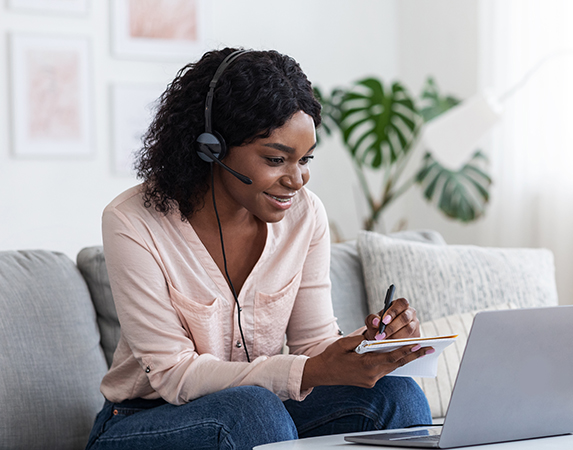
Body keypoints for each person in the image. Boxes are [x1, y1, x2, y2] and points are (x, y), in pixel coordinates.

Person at [85, 48, 432, 450]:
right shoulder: (132, 221)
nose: (297, 179)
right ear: (212, 148)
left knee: (397, 397)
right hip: (145, 420)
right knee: (253, 412)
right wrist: (311, 370)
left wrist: (365, 350)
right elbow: (173, 375)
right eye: (276, 159)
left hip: (263, 410)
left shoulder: (305, 215)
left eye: (305, 159)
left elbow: (312, 347)